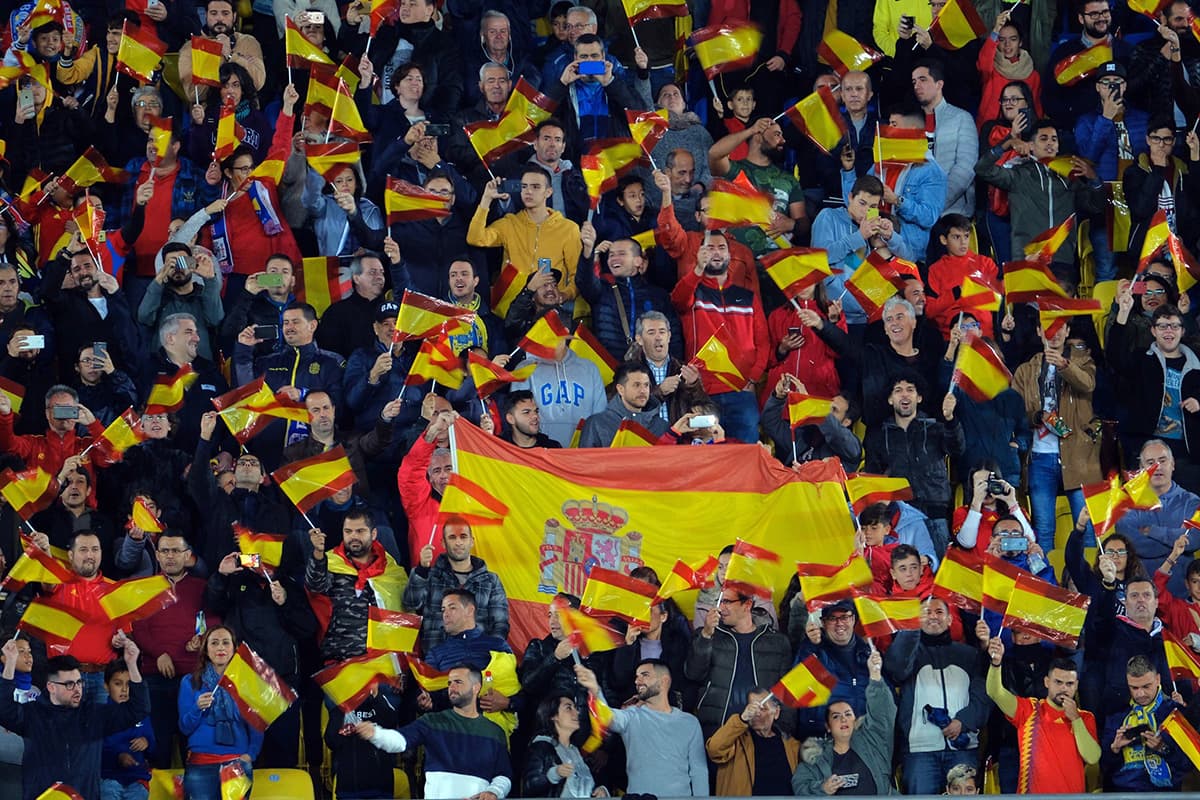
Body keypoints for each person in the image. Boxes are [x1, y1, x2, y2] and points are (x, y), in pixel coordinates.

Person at [0, 637, 148, 800]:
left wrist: (132, 665)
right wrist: (10, 665)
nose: (77, 689)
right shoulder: (33, 714)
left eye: (79, 683)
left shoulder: (94, 715)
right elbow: (4, 710)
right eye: (69, 684)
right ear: (51, 687)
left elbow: (138, 710)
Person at [1011, 317, 1103, 552]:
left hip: (1078, 455)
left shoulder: (1083, 361)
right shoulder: (1025, 370)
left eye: (1059, 327)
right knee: (1044, 528)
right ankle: (1047, 574)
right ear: (1039, 331)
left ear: (1067, 331)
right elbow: (1015, 412)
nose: (1054, 332)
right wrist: (1036, 416)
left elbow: (1088, 385)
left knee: (1087, 528)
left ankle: (1089, 575)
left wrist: (1064, 365)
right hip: (1040, 457)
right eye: (1047, 327)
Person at [355, 665, 512, 800]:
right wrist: (376, 734)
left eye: (458, 682)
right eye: (449, 683)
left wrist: (494, 792)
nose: (452, 687)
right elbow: (400, 741)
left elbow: (503, 775)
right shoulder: (432, 722)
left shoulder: (494, 732)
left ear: (476, 687)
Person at [669, 234, 769, 443]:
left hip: (741, 391)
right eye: (710, 247)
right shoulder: (692, 291)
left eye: (721, 247)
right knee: (706, 455)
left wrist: (752, 377)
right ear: (700, 253)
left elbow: (763, 341)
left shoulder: (748, 297)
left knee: (744, 453)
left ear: (730, 255)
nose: (716, 252)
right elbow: (677, 300)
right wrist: (697, 269)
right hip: (702, 391)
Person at [883, 597, 989, 795]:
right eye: (926, 612)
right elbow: (895, 670)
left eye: (939, 612)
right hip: (919, 751)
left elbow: (982, 696)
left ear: (950, 620)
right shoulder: (909, 654)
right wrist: (910, 629)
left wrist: (963, 722)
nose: (933, 616)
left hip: (963, 749)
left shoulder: (969, 654)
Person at [864, 372, 963, 556]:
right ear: (890, 399)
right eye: (898, 390)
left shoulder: (935, 428)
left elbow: (957, 449)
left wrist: (950, 420)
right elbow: (873, 476)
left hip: (934, 514)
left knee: (938, 568)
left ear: (919, 398)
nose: (904, 394)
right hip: (899, 518)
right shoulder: (878, 435)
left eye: (910, 390)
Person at [574, 661, 708, 796]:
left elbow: (699, 771)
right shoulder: (631, 716)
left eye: (645, 675)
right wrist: (595, 690)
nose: (637, 681)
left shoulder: (689, 722)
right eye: (637, 677)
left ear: (664, 681)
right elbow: (606, 717)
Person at [985, 637, 1100, 793]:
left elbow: (1092, 757)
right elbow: (995, 692)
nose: (1064, 688)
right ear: (1047, 682)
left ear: (1076, 685)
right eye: (1058, 682)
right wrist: (996, 664)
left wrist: (1075, 720)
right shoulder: (1029, 710)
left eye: (1069, 684)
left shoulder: (1085, 718)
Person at [685, 586, 792, 739]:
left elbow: (786, 691)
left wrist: (784, 731)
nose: (720, 608)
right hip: (718, 731)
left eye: (727, 602)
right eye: (719, 601)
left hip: (762, 733)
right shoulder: (708, 635)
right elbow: (693, 674)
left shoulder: (777, 642)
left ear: (747, 604)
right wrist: (706, 635)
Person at [305, 507, 409, 665]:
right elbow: (315, 586)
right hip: (341, 662)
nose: (353, 536)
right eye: (348, 531)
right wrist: (318, 553)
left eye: (360, 531)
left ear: (373, 534)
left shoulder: (391, 570)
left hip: (385, 663)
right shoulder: (331, 563)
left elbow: (407, 610)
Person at [469, 170, 582, 310]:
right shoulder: (510, 223)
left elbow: (577, 274)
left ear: (548, 192)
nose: (528, 191)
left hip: (548, 309)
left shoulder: (568, 229)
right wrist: (486, 200)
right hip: (510, 309)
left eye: (535, 187)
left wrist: (565, 295)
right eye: (524, 186)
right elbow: (475, 238)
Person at [790, 647, 894, 796]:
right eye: (836, 716)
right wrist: (822, 788)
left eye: (848, 714)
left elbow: (882, 712)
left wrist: (875, 676)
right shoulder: (815, 755)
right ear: (828, 727)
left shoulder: (873, 740)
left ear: (855, 720)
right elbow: (799, 786)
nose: (843, 718)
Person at [178, 626, 263, 800]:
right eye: (214, 643)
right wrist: (197, 708)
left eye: (226, 643)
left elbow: (257, 726)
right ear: (206, 649)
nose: (220, 648)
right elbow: (184, 727)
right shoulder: (190, 682)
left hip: (237, 763)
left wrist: (249, 756)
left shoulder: (246, 682)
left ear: (234, 648)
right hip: (201, 764)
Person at [403, 517, 509, 652]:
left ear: (471, 541)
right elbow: (410, 604)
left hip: (478, 657)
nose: (458, 542)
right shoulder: (430, 575)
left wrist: (489, 653)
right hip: (437, 657)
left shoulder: (491, 580)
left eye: (463, 537)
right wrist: (422, 569)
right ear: (443, 543)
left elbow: (500, 624)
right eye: (452, 537)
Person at [1100, 654, 1189, 791]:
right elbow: (1104, 768)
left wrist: (1163, 748)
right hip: (1122, 792)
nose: (1140, 694)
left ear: (1158, 679)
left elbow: (1188, 764)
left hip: (1163, 794)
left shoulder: (1175, 713)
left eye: (1146, 686)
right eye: (1134, 688)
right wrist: (1114, 749)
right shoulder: (1116, 716)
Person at [705, 688, 799, 796]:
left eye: (763, 708)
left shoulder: (792, 746)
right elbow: (714, 749)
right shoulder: (736, 740)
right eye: (753, 708)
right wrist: (741, 719)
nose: (757, 713)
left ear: (776, 712)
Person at [522, 693, 605, 797]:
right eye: (568, 708)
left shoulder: (577, 750)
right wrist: (554, 774)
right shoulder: (541, 747)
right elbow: (529, 785)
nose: (577, 712)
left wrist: (601, 790)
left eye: (575, 708)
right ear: (553, 716)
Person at [100, 660, 155, 800]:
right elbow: (97, 752)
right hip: (108, 777)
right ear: (106, 686)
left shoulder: (142, 714)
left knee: (139, 792)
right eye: (118, 684)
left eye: (129, 684)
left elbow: (153, 749)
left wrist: (146, 742)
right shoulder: (100, 714)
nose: (124, 689)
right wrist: (118, 757)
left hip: (137, 778)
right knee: (109, 789)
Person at [578, 362, 669, 447]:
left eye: (646, 385)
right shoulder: (596, 424)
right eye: (636, 385)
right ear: (620, 389)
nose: (643, 390)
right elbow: (585, 458)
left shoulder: (661, 427)